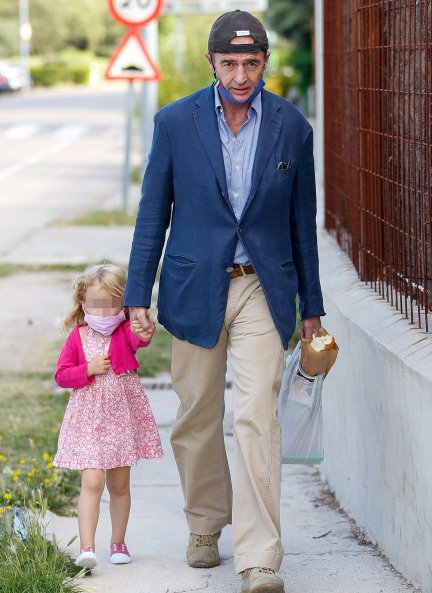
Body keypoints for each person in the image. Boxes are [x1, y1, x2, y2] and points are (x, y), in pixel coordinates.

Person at [125, 9, 325, 593]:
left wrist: (310, 308)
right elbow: (150, 215)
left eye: (251, 63)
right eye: (230, 63)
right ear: (211, 62)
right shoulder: (174, 122)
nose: (241, 75)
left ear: (266, 62)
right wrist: (139, 292)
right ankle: (206, 523)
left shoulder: (292, 126)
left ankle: (260, 554)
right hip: (193, 285)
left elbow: (301, 225)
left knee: (256, 414)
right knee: (195, 415)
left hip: (264, 285)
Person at [53, 263, 163, 570]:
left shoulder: (125, 332)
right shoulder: (78, 336)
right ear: (83, 303)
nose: (104, 313)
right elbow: (61, 375)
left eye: (113, 304)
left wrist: (144, 326)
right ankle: (87, 547)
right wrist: (86, 370)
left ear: (123, 305)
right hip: (88, 420)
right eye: (97, 305)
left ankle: (118, 542)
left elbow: (141, 339)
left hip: (119, 420)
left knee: (119, 485)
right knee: (91, 482)